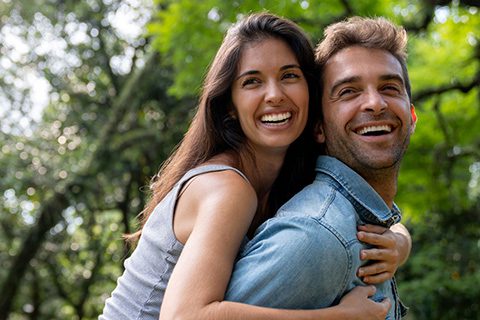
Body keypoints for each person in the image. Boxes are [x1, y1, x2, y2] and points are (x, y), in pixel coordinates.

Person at [100, 13, 408, 320]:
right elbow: (183, 317)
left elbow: (361, 208)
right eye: (252, 82)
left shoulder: (290, 179)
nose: (274, 95)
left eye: (289, 75)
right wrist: (339, 317)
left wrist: (399, 241)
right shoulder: (228, 188)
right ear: (230, 106)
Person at [225, 16, 415, 320]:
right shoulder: (316, 235)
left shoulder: (364, 222)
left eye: (390, 88)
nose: (375, 103)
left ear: (412, 115)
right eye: (348, 91)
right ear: (318, 128)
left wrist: (402, 241)